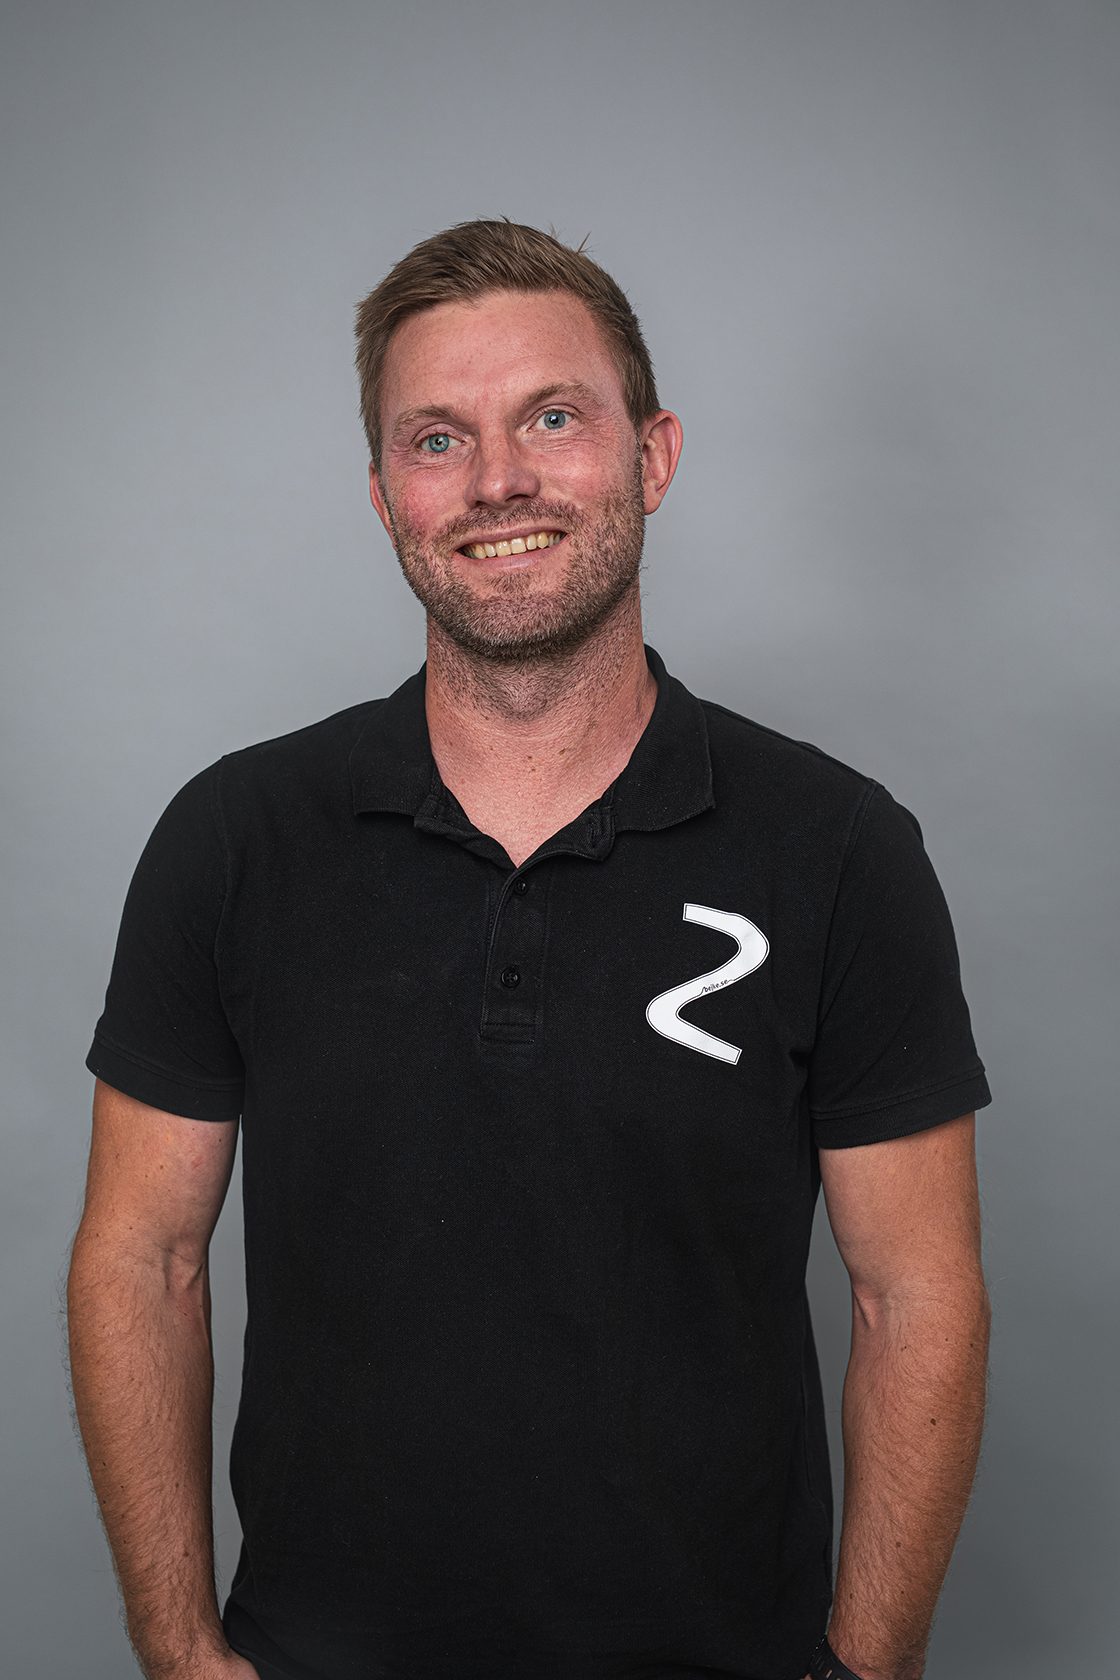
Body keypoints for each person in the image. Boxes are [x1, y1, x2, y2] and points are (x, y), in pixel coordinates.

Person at [67, 220, 991, 1680]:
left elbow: (915, 1292)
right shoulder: (234, 839)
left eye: (553, 418)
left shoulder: (839, 849)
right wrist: (179, 1652)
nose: (498, 479)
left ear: (653, 456)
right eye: (438, 439)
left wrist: (864, 1671)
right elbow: (143, 1257)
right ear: (386, 496)